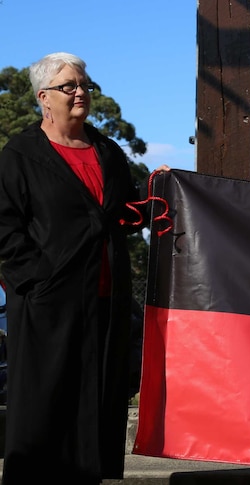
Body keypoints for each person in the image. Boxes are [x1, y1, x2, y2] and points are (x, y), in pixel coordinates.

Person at [0, 52, 167, 484]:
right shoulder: (18, 155)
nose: (80, 93)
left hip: (106, 302)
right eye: (69, 86)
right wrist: (35, 281)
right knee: (45, 406)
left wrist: (160, 191)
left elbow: (125, 212)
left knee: (99, 403)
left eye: (84, 85)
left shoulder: (108, 151)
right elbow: (4, 226)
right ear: (43, 98)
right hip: (46, 305)